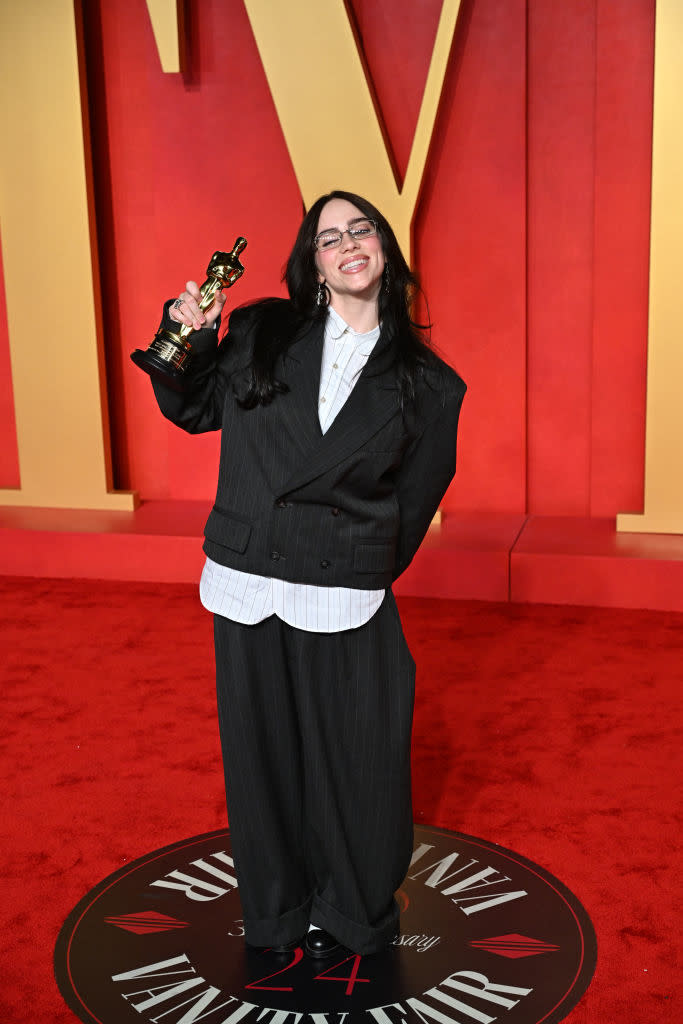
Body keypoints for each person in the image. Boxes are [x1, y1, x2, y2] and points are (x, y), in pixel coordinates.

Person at [146, 190, 466, 959]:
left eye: (362, 230)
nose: (348, 243)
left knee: (360, 762)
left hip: (342, 589)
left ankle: (356, 913)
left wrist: (351, 562)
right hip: (246, 580)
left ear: (384, 250)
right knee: (261, 765)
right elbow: (191, 408)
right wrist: (182, 336)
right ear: (314, 264)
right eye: (330, 237)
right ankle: (276, 915)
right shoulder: (261, 329)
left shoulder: (429, 384)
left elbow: (413, 506)